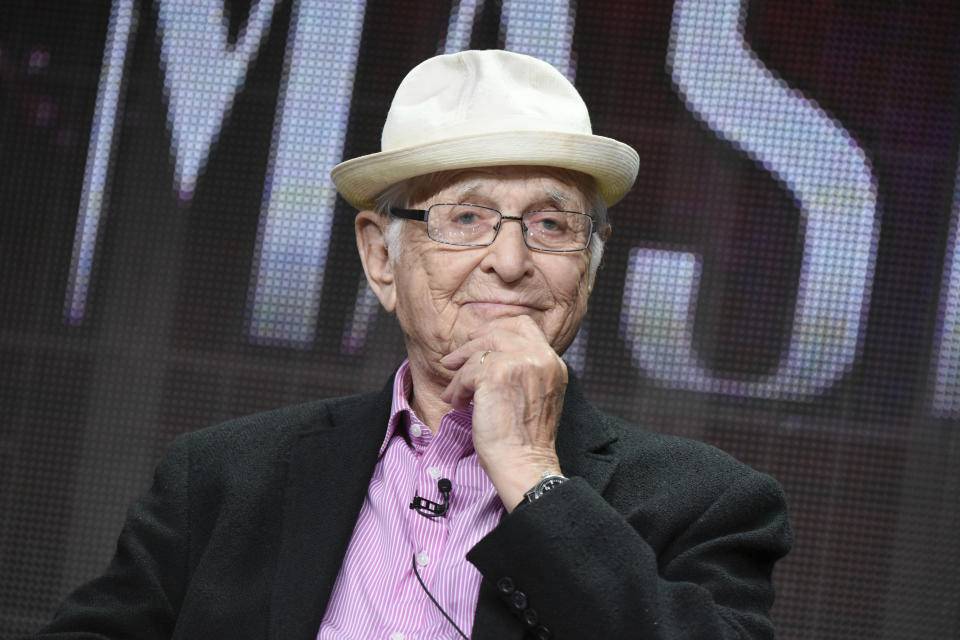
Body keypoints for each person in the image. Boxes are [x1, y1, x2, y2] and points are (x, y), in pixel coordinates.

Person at [32, 49, 792, 639]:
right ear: (380, 258)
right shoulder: (223, 477)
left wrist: (531, 475)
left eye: (552, 224)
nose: (511, 260)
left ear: (589, 264)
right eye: (466, 219)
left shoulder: (708, 503)